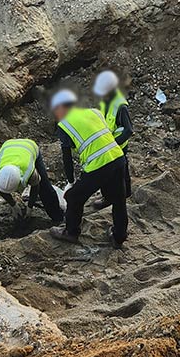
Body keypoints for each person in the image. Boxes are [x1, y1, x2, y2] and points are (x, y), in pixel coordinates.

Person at [47, 89, 129, 248]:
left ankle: (71, 232)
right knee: (119, 199)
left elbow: (67, 157)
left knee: (73, 197)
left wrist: (70, 182)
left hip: (99, 164)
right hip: (118, 158)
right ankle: (119, 236)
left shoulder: (64, 124)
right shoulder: (94, 112)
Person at [0, 138, 66, 225]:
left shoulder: (29, 171)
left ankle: (57, 217)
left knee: (45, 186)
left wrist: (30, 207)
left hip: (30, 147)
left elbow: (35, 187)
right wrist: (13, 205)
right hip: (9, 146)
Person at [91, 70, 133, 209]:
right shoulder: (104, 103)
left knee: (113, 172)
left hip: (117, 146)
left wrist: (113, 144)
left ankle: (113, 197)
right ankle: (121, 193)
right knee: (118, 170)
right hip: (109, 144)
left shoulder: (120, 106)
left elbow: (128, 130)